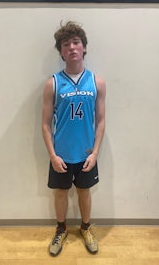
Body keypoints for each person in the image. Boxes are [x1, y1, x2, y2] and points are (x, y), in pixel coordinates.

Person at [42, 21, 106, 257]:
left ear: (84, 48)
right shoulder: (53, 84)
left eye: (76, 42)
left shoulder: (97, 82)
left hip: (87, 153)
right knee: (60, 193)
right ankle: (61, 229)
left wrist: (96, 152)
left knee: (84, 191)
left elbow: (100, 121)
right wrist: (52, 155)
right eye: (66, 44)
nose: (72, 47)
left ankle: (86, 228)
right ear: (61, 51)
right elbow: (45, 124)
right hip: (61, 154)